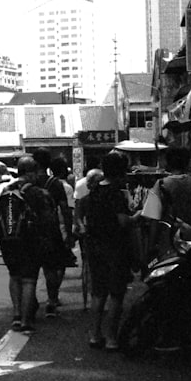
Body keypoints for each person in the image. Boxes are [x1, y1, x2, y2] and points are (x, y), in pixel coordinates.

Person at [0, 155, 56, 334]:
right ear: (32, 172)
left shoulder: (6, 190)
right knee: (29, 280)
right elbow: (48, 221)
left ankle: (16, 314)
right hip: (31, 242)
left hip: (9, 241)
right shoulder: (38, 193)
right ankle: (26, 320)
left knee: (14, 276)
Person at [81, 150, 134, 351]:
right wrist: (137, 217)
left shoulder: (92, 194)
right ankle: (111, 338)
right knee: (116, 294)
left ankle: (95, 335)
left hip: (95, 248)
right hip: (115, 249)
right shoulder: (116, 194)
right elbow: (123, 222)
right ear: (121, 172)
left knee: (98, 293)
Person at [140, 146, 191, 260]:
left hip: (169, 246)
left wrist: (150, 248)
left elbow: (154, 220)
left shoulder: (160, 185)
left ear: (168, 163)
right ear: (188, 163)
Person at [33, 149, 73, 317]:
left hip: (31, 231)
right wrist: (69, 233)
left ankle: (28, 303)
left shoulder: (28, 182)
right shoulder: (55, 183)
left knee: (31, 271)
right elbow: (65, 209)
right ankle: (52, 300)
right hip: (51, 230)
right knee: (51, 268)